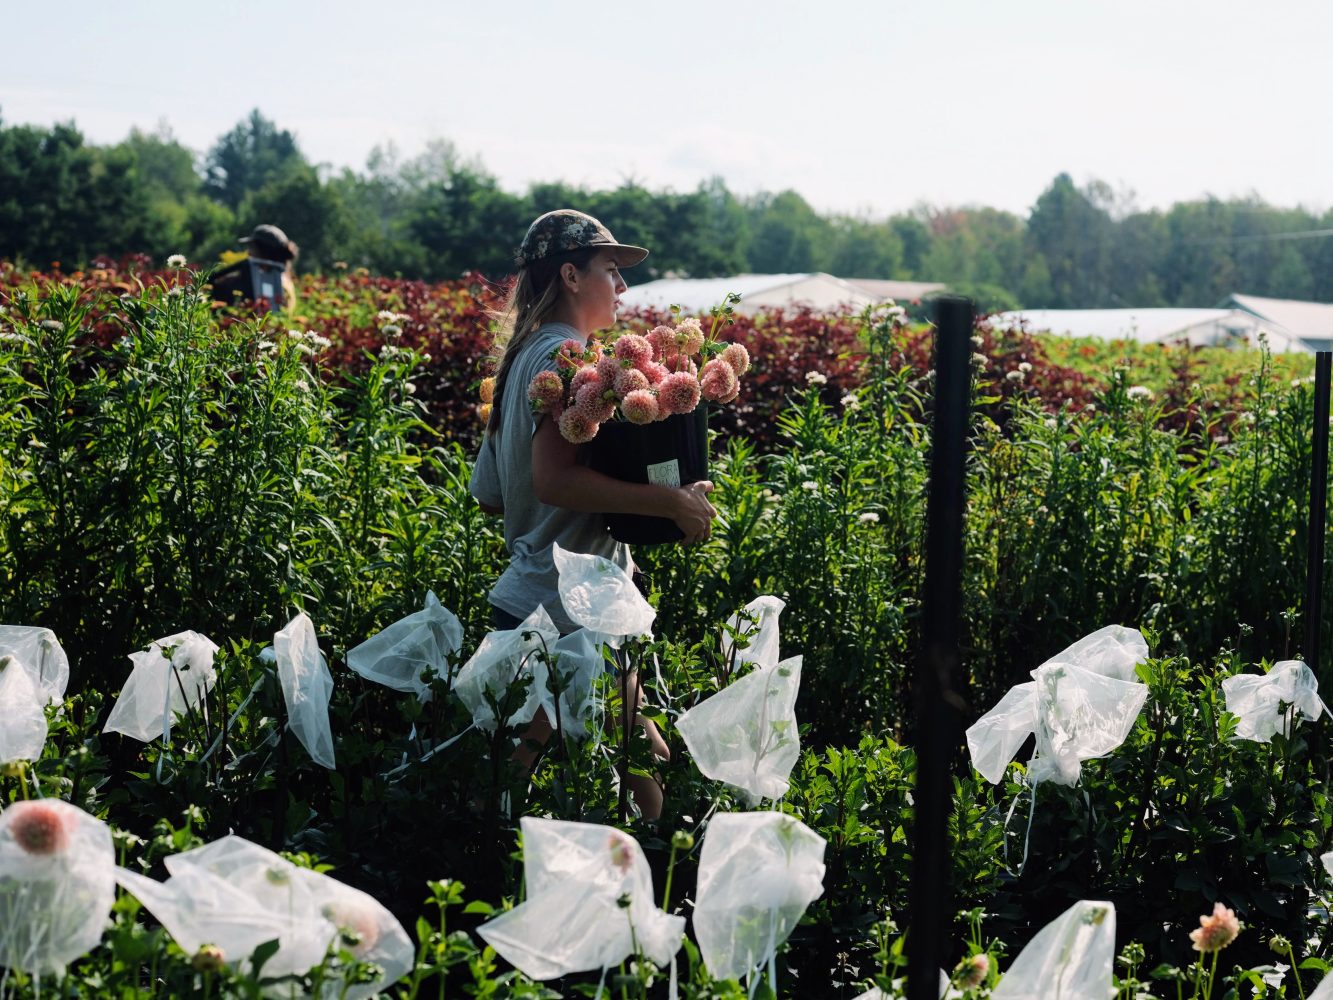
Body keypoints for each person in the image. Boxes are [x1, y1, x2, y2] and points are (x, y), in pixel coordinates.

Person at [469, 209, 718, 819]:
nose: (623, 285)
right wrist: (669, 500)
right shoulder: (566, 360)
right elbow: (553, 480)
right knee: (618, 755)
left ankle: (649, 852)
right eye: (611, 269)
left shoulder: (520, 362)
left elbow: (491, 492)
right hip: (569, 603)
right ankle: (661, 860)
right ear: (572, 276)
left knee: (578, 753)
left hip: (535, 592)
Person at [239, 223, 299, 311]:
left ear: (265, 252)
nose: (248, 253)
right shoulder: (283, 280)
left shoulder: (277, 285)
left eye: (252, 247)